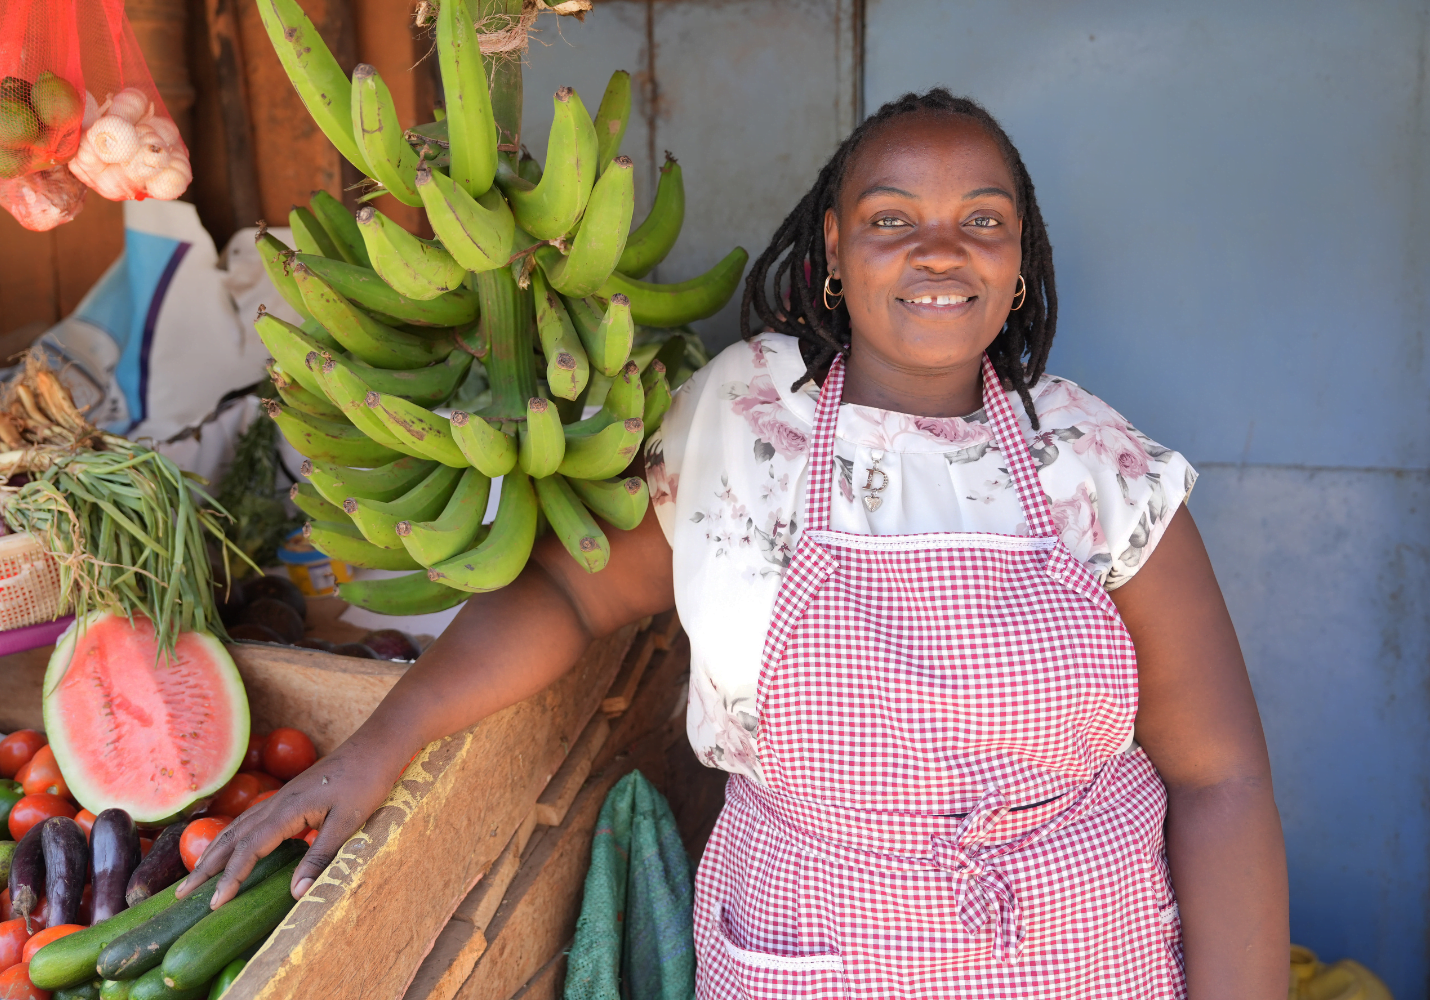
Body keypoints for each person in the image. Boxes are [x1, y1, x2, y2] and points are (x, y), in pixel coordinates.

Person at [180, 89, 1289, 998]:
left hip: (1084, 958)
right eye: (894, 217)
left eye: (983, 219)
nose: (942, 248)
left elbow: (1222, 776)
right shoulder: (739, 424)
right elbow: (570, 596)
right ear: (836, 250)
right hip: (816, 955)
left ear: (1020, 257)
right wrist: (382, 743)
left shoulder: (1104, 466)